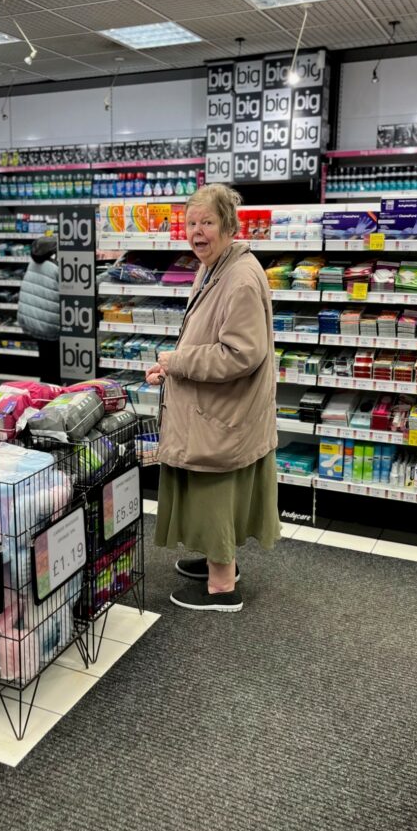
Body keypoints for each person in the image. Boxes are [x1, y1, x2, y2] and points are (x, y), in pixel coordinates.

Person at [146, 183, 279, 613]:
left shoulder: (239, 278)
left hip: (223, 414)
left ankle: (222, 587)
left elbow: (240, 354)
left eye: (207, 222)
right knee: (210, 495)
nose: (197, 232)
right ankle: (219, 563)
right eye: (191, 223)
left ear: (228, 226)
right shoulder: (214, 267)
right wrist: (170, 368)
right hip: (215, 407)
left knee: (216, 493)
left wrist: (178, 361)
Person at [17, 235, 61, 384]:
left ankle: (44, 391)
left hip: (34, 322)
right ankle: (53, 392)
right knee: (55, 367)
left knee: (46, 364)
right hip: (50, 325)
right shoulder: (55, 267)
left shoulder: (33, 264)